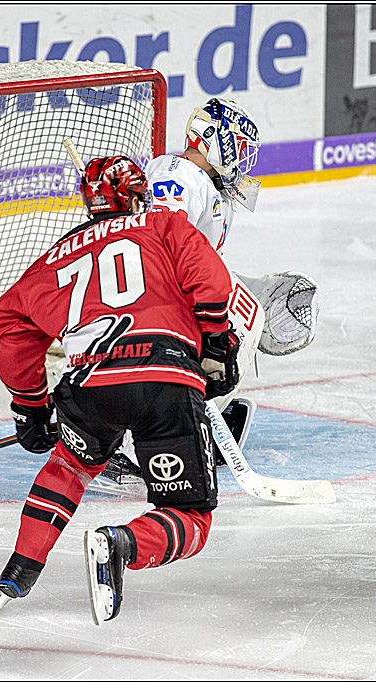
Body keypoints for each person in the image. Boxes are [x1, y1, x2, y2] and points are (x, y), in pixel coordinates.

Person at [0, 155, 239, 621]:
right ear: (141, 193)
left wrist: (31, 405)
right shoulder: (163, 225)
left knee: (69, 465)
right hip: (162, 379)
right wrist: (218, 346)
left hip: (88, 385)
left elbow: (7, 327)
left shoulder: (58, 255)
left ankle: (21, 567)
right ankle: (122, 544)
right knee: (192, 518)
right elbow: (212, 282)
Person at [140, 97, 320, 460]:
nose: (241, 157)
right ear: (209, 137)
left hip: (178, 289)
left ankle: (199, 418)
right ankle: (163, 430)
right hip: (153, 294)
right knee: (242, 316)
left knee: (251, 308)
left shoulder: (210, 186)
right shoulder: (178, 174)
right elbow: (159, 243)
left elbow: (202, 258)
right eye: (237, 145)